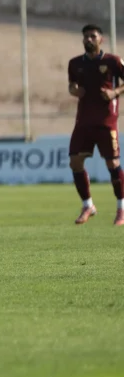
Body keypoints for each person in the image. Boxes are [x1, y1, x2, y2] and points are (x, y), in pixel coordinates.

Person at [67, 24, 124, 226]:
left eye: (93, 36)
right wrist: (73, 90)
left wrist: (114, 92)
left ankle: (121, 208)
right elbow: (71, 85)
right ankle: (88, 205)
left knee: (113, 164)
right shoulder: (75, 63)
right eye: (86, 37)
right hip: (84, 121)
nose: (89, 39)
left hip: (106, 121)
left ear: (101, 39)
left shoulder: (113, 61)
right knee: (75, 161)